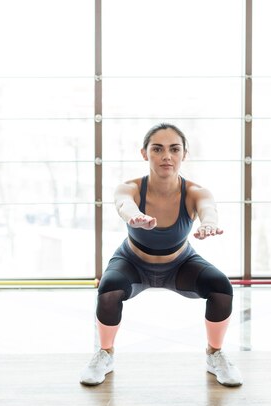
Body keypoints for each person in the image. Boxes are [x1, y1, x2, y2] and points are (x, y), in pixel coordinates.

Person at [79, 123, 242, 387]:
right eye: (158, 149)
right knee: (108, 290)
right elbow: (124, 204)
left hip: (180, 264)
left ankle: (215, 355)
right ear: (145, 153)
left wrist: (208, 223)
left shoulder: (195, 192)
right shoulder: (129, 187)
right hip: (133, 262)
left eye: (174, 149)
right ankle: (105, 354)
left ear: (183, 155)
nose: (166, 156)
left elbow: (208, 208)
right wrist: (135, 217)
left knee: (220, 286)